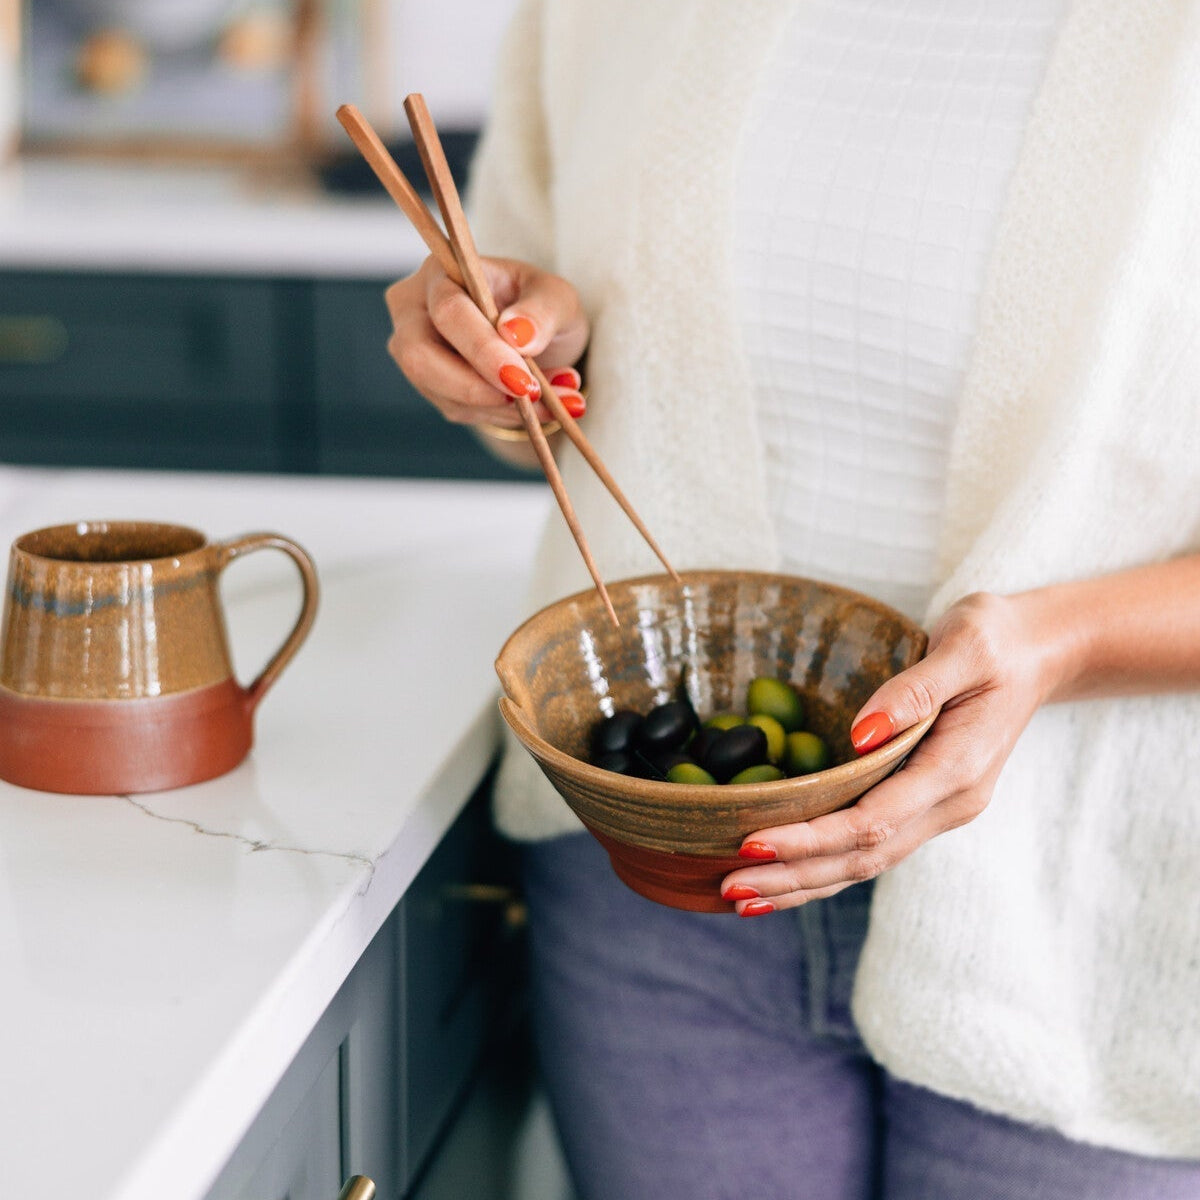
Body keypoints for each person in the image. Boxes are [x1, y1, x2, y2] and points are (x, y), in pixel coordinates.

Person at [384, 1, 1200, 1196]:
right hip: (658, 883)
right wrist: (509, 347)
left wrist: (1061, 644)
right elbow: (544, 330)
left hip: (1082, 913)